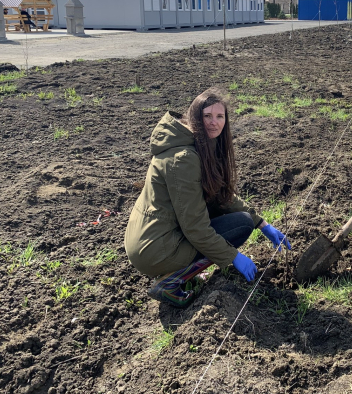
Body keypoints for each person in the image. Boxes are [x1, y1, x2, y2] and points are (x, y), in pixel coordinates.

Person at [124, 89, 291, 307]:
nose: (214, 123)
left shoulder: (198, 145)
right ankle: (171, 281)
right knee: (240, 226)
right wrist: (232, 256)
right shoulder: (183, 159)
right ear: (195, 117)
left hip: (155, 236)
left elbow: (221, 195)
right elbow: (195, 227)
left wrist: (262, 223)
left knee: (242, 219)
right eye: (207, 116)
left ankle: (178, 272)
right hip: (155, 248)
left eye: (219, 116)